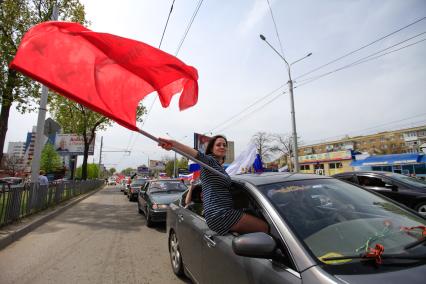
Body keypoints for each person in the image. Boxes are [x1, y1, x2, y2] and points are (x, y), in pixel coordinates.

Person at [159, 135, 268, 235]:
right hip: (220, 214)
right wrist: (173, 144)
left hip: (225, 211)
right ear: (211, 148)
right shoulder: (209, 161)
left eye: (224, 145)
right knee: (265, 227)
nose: (222, 147)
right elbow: (195, 154)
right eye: (218, 144)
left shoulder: (219, 168)